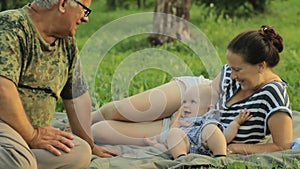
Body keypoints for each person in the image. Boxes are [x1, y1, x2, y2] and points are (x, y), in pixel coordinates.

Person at [91, 25, 293, 155]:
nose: (232, 75)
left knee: (101, 132)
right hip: (189, 97)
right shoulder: (230, 76)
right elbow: (202, 93)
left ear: (261, 65)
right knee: (122, 110)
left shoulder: (273, 95)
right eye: (230, 68)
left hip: (193, 129)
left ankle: (85, 128)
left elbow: (282, 145)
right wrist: (175, 125)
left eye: (238, 69)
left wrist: (230, 148)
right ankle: (82, 120)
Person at [0, 0, 119, 168]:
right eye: (84, 10)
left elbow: (77, 97)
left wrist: (91, 145)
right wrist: (33, 136)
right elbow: (3, 88)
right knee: (18, 161)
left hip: (30, 138)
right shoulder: (11, 25)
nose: (85, 19)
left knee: (81, 152)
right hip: (5, 125)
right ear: (63, 4)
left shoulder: (67, 43)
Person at [144, 84, 252, 159]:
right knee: (173, 133)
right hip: (187, 147)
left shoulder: (209, 118)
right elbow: (169, 143)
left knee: (211, 129)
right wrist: (156, 144)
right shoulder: (181, 120)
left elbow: (226, 137)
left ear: (208, 109)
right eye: (184, 102)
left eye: (192, 102)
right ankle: (181, 158)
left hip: (205, 143)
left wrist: (236, 123)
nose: (186, 105)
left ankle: (220, 156)